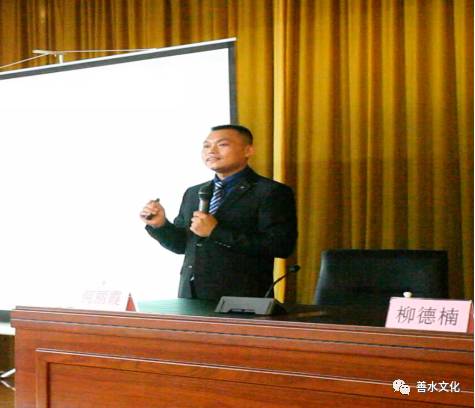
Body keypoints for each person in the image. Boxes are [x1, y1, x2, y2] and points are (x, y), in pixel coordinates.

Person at [140, 124, 297, 300]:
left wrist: (216, 232)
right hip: (191, 294)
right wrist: (161, 225)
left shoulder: (270, 192)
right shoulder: (195, 192)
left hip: (241, 298)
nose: (211, 151)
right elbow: (182, 245)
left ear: (248, 150)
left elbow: (281, 246)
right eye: (206, 146)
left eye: (222, 144)